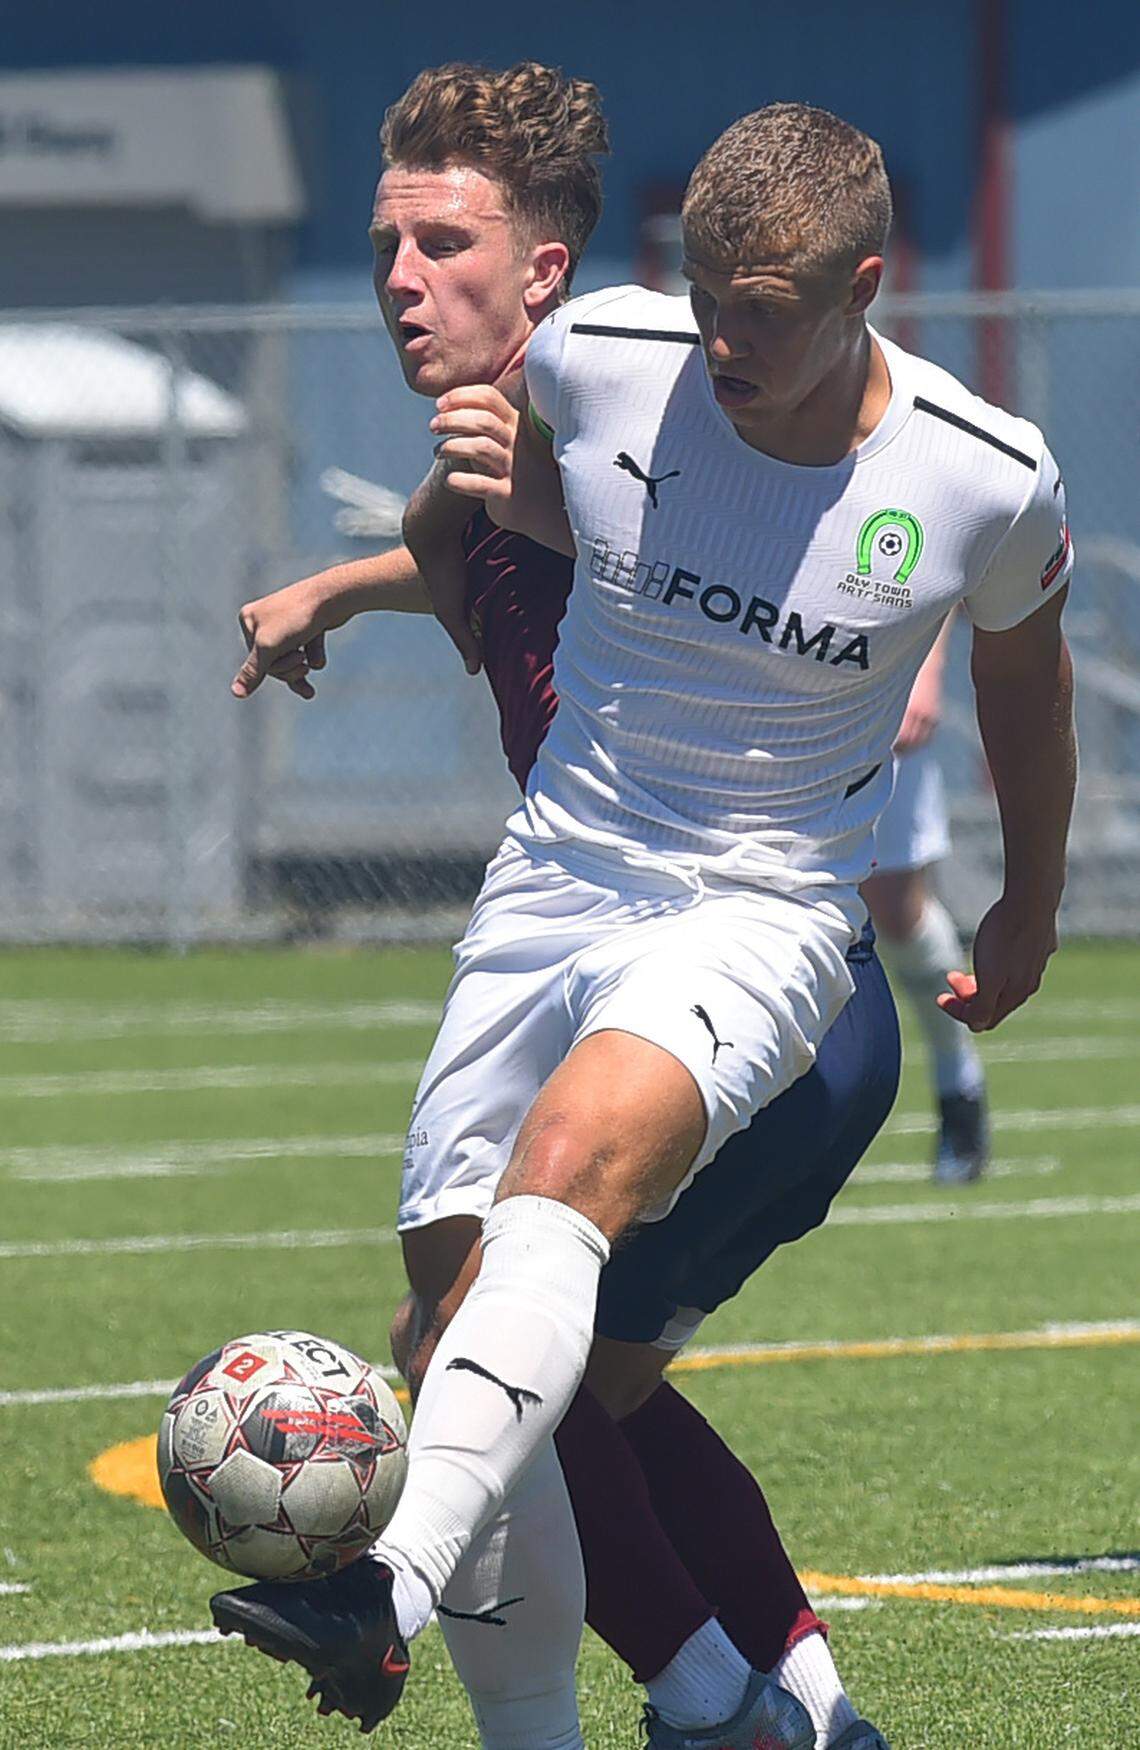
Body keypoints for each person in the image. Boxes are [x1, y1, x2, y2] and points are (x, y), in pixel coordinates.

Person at [218, 95, 1075, 1745]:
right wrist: (366, 570)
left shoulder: (983, 478)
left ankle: (391, 1590)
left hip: (758, 913)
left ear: (865, 292)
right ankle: (701, 1716)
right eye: (707, 312)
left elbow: (1030, 701)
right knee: (474, 1324)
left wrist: (1026, 897)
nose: (722, 355)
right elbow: (501, 511)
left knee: (565, 1184)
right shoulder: (603, 352)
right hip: (558, 881)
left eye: (763, 327)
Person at [862, 614, 990, 1182]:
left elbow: (934, 534)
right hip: (757, 674)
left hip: (880, 678)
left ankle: (957, 1080)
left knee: (895, 909)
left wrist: (927, 668)